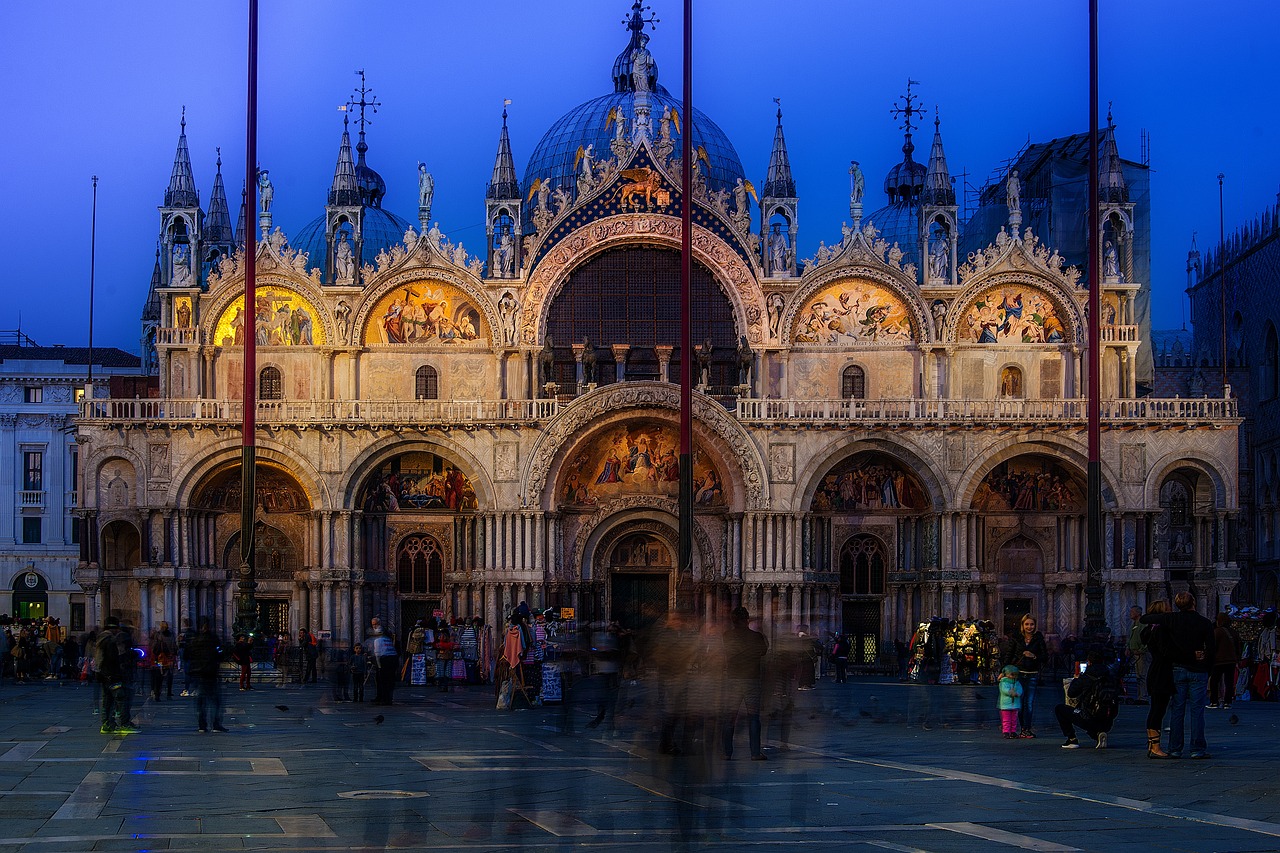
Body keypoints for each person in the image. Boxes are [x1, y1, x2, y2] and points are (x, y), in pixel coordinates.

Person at [1141, 591, 1216, 759]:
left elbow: (1144, 619)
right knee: (1197, 711)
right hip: (1198, 670)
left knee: (1177, 709)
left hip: (1178, 669)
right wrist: (1207, 668)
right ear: (1194, 603)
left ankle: (1175, 748)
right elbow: (1211, 650)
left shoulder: (1172, 619)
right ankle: (1197, 749)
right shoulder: (1204, 622)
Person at [721, 606, 769, 760]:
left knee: (730, 717)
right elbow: (763, 651)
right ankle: (755, 752)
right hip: (751, 680)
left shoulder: (727, 636)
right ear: (747, 620)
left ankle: (726, 752)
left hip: (733, 679)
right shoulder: (756, 637)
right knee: (753, 717)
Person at [1055, 647, 1120, 749]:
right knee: (1091, 715)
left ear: (1089, 662)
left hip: (1089, 717)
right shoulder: (1110, 676)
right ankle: (1099, 734)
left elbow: (1071, 693)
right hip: (1108, 719)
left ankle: (1072, 739)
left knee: (1060, 709)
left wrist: (1076, 678)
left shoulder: (1087, 676)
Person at [1000, 614, 1047, 738]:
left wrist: (1034, 656)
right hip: (1018, 674)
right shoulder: (1016, 638)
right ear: (1022, 625)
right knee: (1018, 703)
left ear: (1035, 625)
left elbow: (1045, 657)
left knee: (1029, 703)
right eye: (1027, 624)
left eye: (1031, 624)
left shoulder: (1038, 639)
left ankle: (1026, 729)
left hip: (1032, 674)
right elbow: (1008, 655)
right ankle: (1018, 727)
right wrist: (1003, 671)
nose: (1029, 627)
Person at [1141, 599, 1175, 758]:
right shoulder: (1160, 630)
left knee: (1156, 708)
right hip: (1162, 672)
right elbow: (1165, 651)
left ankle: (1152, 744)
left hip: (1156, 671)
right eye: (1167, 609)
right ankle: (1155, 746)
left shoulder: (1151, 629)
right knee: (1158, 709)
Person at [188, 618, 227, 733]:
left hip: (199, 674)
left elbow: (188, 655)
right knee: (215, 700)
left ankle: (202, 725)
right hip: (211, 673)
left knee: (201, 701)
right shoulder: (213, 639)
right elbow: (220, 654)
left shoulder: (195, 640)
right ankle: (215, 724)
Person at [1209, 612, 1241, 710]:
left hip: (1219, 661)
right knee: (1229, 682)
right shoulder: (1233, 632)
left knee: (1214, 681)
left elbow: (1212, 647)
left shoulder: (1216, 632)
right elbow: (1239, 646)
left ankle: (1214, 701)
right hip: (1231, 661)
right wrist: (1237, 658)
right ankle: (1228, 702)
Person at [369, 617, 398, 706]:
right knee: (381, 680)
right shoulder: (385, 636)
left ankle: (386, 699)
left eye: (375, 624)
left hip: (385, 660)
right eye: (373, 624)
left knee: (385, 680)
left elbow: (378, 652)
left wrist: (378, 665)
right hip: (390, 659)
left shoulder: (379, 638)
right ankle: (381, 697)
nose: (374, 626)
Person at [149, 621, 178, 700]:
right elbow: (174, 645)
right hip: (169, 657)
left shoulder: (158, 634)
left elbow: (154, 647)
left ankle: (157, 693)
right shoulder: (171, 634)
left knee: (159, 676)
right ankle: (169, 691)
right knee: (169, 675)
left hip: (160, 657)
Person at [1127, 605, 1149, 702]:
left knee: (1143, 675)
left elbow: (1147, 639)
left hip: (1141, 654)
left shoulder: (1143, 624)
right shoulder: (1134, 624)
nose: (1130, 614)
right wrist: (1128, 647)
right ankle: (1140, 696)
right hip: (1135, 653)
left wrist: (1141, 650)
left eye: (1132, 612)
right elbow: (1132, 637)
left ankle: (1143, 697)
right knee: (1138, 676)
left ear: (1138, 613)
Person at [998, 664, 1023, 739]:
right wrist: (1010, 692)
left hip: (1014, 704)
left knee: (1014, 719)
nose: (1014, 677)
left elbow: (1020, 689)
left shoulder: (1016, 682)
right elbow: (1004, 690)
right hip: (1006, 705)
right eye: (1012, 675)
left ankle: (1013, 731)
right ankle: (1006, 731)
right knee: (1006, 719)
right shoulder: (1004, 682)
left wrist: (1017, 693)